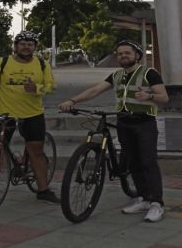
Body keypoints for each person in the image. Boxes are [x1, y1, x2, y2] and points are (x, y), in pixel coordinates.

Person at [58, 40, 169, 223]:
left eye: (128, 53)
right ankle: (143, 198)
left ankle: (157, 203)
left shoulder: (150, 73)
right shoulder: (116, 75)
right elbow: (95, 90)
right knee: (133, 162)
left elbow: (164, 98)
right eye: (120, 53)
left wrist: (149, 96)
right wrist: (72, 101)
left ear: (137, 56)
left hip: (144, 123)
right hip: (124, 122)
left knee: (148, 162)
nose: (123, 56)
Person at [0, 31, 59, 204]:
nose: (26, 47)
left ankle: (43, 190)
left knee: (36, 151)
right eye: (22, 43)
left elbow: (51, 87)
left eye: (30, 44)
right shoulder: (2, 63)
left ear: (35, 47)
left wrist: (37, 88)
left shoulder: (42, 64)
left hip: (33, 114)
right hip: (5, 115)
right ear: (15, 46)